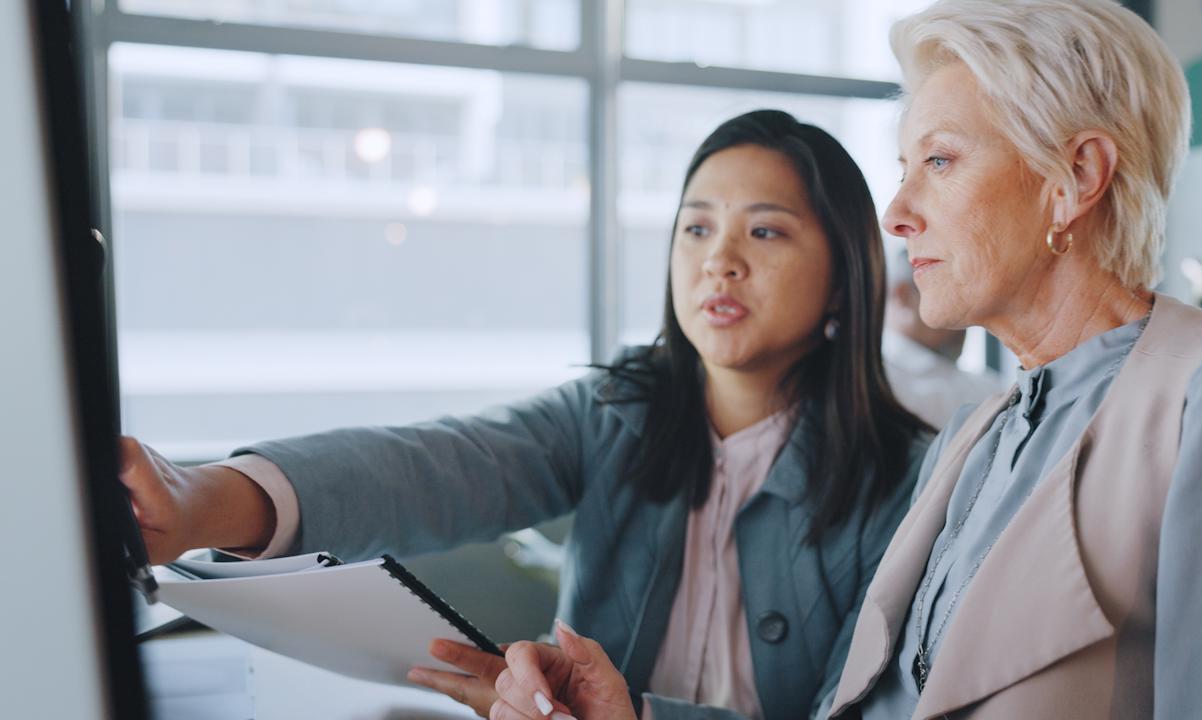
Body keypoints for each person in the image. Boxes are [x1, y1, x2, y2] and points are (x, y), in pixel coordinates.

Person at [487, 2, 1202, 719]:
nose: (897, 212)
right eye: (906, 166)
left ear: (1075, 178)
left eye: (940, 162)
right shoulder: (981, 432)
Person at [118, 109, 931, 720]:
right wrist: (202, 500)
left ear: (842, 278)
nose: (719, 258)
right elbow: (437, 468)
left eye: (765, 230)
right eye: (695, 227)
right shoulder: (614, 412)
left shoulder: (911, 482)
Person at [882, 245, 1008, 428]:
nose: (966, 314)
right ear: (902, 295)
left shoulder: (989, 387)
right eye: (953, 292)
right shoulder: (881, 384)